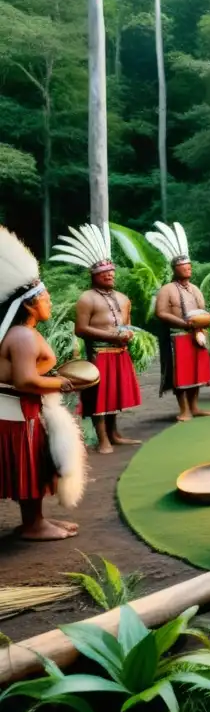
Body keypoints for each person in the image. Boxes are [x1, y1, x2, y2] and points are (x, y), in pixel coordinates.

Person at [0, 226, 87, 540]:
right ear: (28, 305)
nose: (49, 303)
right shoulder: (22, 335)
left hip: (20, 410)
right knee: (30, 463)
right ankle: (34, 525)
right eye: (45, 299)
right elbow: (25, 380)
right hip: (18, 412)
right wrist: (62, 383)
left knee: (35, 462)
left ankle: (34, 521)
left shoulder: (23, 333)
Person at [51, 222, 142, 453]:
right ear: (95, 275)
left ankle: (114, 434)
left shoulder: (123, 298)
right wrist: (110, 335)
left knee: (114, 394)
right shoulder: (87, 298)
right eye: (105, 273)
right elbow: (81, 329)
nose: (111, 275)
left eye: (112, 272)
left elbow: (127, 323)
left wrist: (128, 333)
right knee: (99, 396)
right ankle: (102, 438)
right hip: (98, 354)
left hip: (119, 352)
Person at [148, 221, 210, 422]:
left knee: (196, 372)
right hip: (177, 336)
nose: (188, 270)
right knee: (181, 374)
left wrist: (203, 321)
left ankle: (194, 406)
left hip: (197, 335)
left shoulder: (194, 289)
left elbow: (203, 309)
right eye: (184, 267)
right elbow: (160, 312)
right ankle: (183, 408)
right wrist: (183, 323)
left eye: (189, 266)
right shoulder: (167, 289)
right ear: (175, 269)